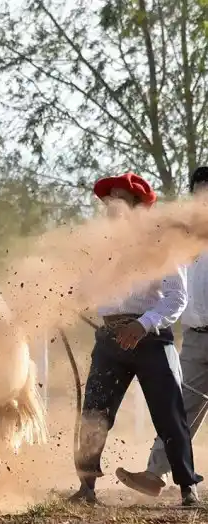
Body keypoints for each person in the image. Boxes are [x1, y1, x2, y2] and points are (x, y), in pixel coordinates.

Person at [70, 172, 202, 506]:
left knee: (170, 413)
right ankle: (87, 488)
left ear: (138, 206)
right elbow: (87, 289)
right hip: (110, 338)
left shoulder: (163, 244)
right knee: (94, 413)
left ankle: (188, 489)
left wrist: (143, 325)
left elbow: (176, 298)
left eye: (120, 198)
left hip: (152, 340)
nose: (111, 205)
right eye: (109, 198)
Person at [116, 166, 208, 498]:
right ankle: (155, 474)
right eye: (200, 192)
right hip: (196, 335)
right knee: (181, 409)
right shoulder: (178, 236)